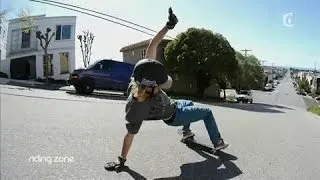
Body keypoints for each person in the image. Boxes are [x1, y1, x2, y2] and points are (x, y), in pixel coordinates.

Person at [105, 7, 229, 170]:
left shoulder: (138, 80)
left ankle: (186, 133)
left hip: (175, 104)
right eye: (158, 86)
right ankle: (217, 142)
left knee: (190, 103)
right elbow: (130, 135)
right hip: (174, 116)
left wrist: (168, 26)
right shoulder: (136, 108)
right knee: (207, 112)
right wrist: (121, 160)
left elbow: (153, 44)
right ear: (155, 86)